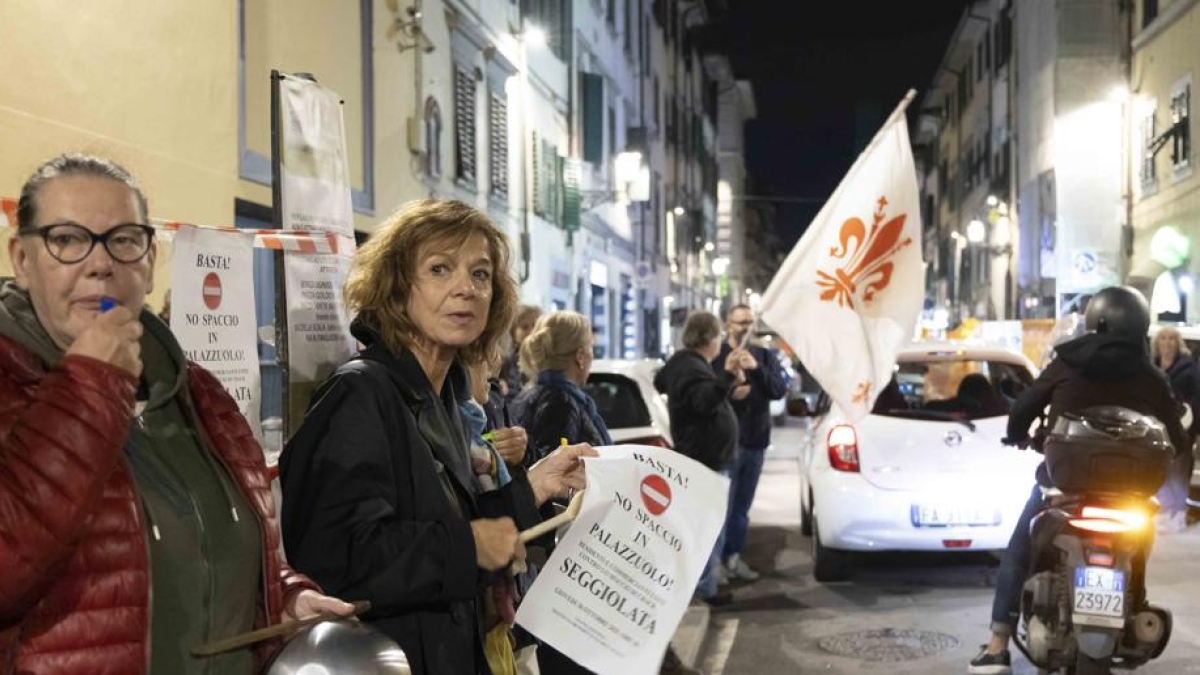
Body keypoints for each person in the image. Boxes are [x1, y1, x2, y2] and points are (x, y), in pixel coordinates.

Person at [0, 153, 352, 675]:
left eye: (123, 240)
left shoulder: (198, 393)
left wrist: (284, 598)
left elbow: (227, 553)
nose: (100, 263)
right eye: (68, 239)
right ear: (22, 259)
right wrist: (88, 390)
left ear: (149, 261)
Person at [279, 199, 595, 675]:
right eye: (440, 269)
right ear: (397, 287)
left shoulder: (442, 397)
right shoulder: (360, 393)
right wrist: (476, 547)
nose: (465, 289)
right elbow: (339, 558)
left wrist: (532, 486)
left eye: (481, 274)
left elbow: (451, 528)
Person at [968, 286, 1188, 675]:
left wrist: (1019, 435)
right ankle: (1135, 606)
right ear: (1141, 325)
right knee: (1140, 543)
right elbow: (1179, 437)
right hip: (1128, 500)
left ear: (1095, 320)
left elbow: (1024, 407)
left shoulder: (1068, 362)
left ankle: (997, 646)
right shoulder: (1152, 376)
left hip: (1064, 486)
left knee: (1019, 547)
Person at [654, 310, 747, 606]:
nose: (721, 341)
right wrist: (728, 377)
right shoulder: (691, 367)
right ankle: (704, 588)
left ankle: (705, 584)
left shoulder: (690, 365)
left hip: (707, 458)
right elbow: (703, 402)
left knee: (706, 527)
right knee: (708, 528)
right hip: (705, 460)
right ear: (708, 338)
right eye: (718, 335)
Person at [712, 304, 787, 583]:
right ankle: (715, 564)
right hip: (725, 443)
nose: (744, 327)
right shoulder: (718, 355)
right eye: (739, 322)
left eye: (749, 322)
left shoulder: (764, 356)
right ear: (728, 324)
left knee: (742, 507)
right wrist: (732, 393)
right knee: (722, 507)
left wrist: (755, 370)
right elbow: (709, 393)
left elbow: (778, 390)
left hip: (755, 440)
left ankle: (733, 557)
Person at [510, 311, 613, 466]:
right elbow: (557, 472)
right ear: (580, 356)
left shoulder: (530, 394)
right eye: (590, 347)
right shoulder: (560, 403)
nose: (592, 355)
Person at [1151, 326, 1200, 533]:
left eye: (1172, 338)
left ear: (1178, 342)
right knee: (1160, 468)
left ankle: (1179, 514)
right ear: (1157, 342)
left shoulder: (1189, 368)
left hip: (1184, 428)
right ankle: (1165, 510)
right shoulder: (1151, 366)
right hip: (1158, 426)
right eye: (1163, 338)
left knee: (1179, 471)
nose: (1167, 342)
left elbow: (1197, 399)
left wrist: (1196, 429)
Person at [499, 304, 542, 399]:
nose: (532, 332)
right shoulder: (504, 362)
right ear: (513, 331)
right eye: (524, 327)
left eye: (535, 325)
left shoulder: (549, 361)